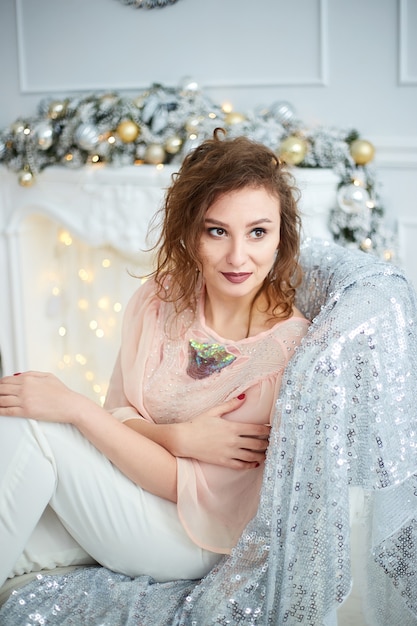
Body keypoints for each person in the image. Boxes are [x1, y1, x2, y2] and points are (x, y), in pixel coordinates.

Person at [0, 130, 309, 590]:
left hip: (191, 536)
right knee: (18, 530)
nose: (238, 257)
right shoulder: (160, 300)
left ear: (280, 237)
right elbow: (119, 412)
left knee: (31, 428)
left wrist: (75, 409)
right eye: (217, 231)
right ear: (190, 231)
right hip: (123, 488)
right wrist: (174, 436)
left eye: (258, 232)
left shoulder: (283, 354)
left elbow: (188, 490)